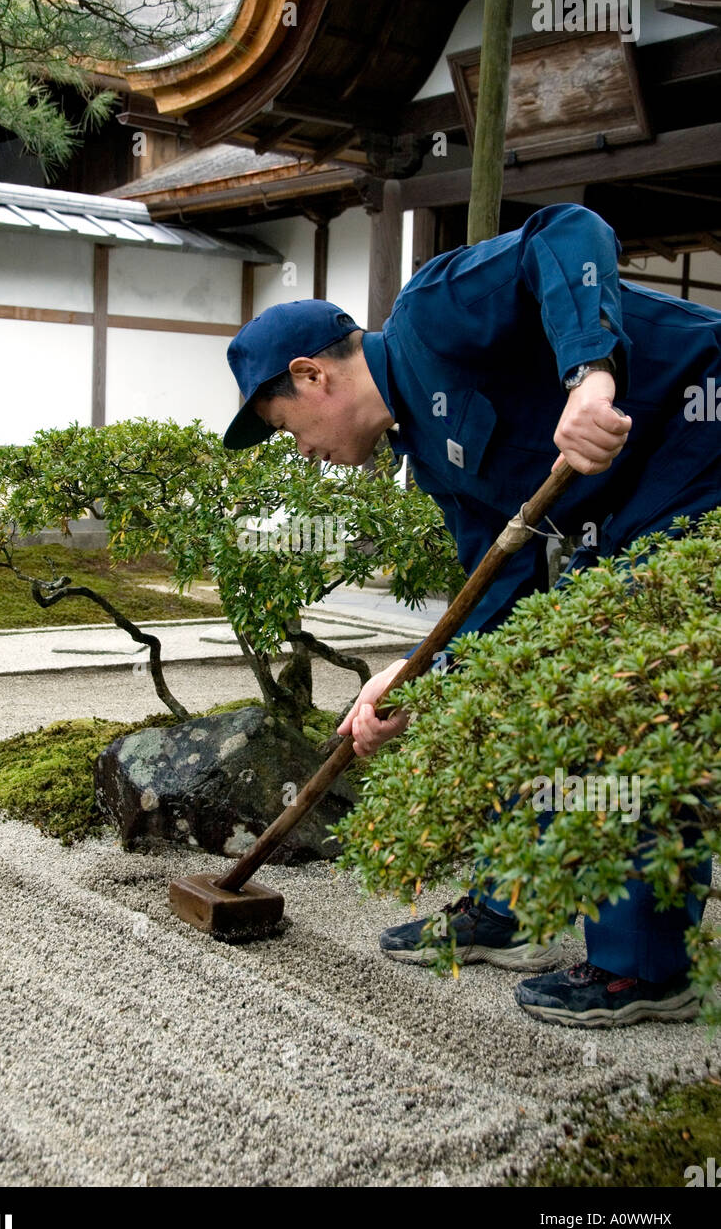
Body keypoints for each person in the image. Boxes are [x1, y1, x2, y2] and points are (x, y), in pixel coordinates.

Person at [222, 202, 721, 1028]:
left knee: (615, 692)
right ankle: (511, 904)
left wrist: (590, 375)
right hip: (632, 509)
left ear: (312, 377)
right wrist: (414, 678)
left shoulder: (433, 313)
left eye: (285, 430)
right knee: (505, 672)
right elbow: (498, 598)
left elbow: (572, 231)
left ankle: (647, 969)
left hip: (699, 452)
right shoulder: (433, 462)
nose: (301, 453)